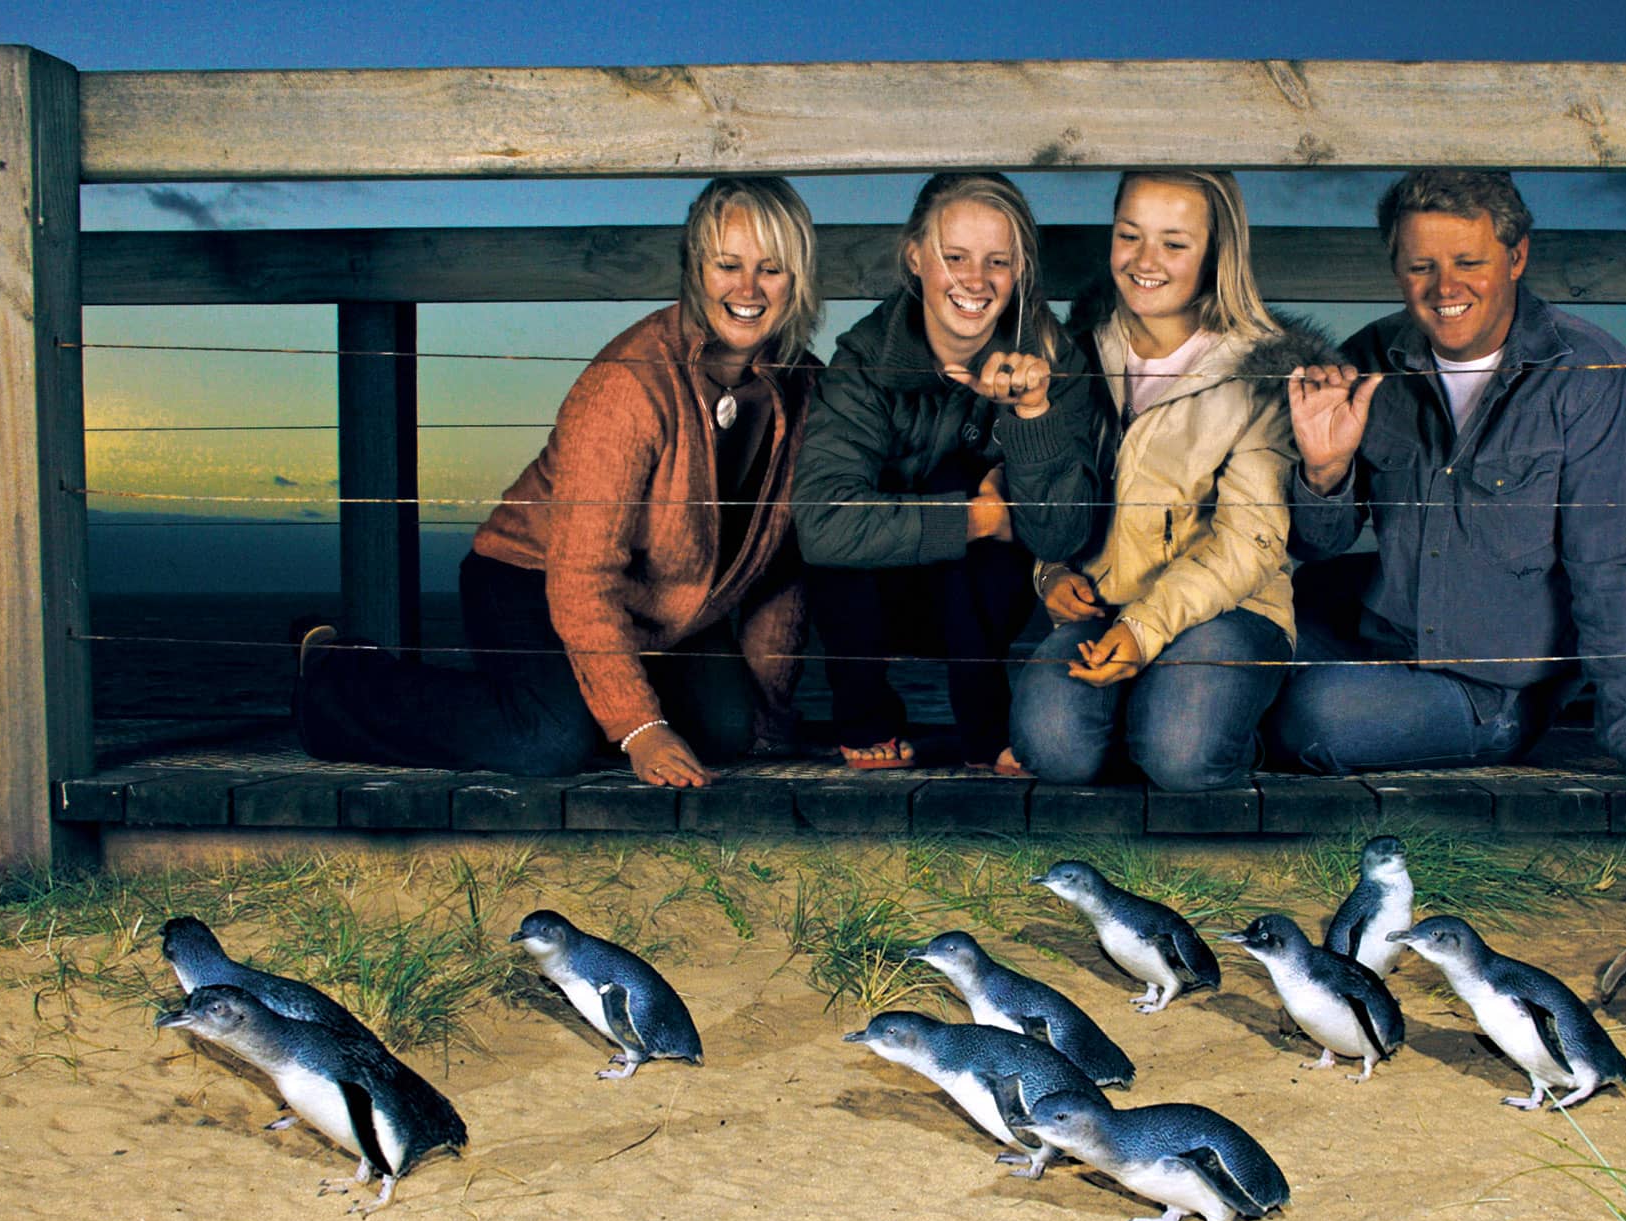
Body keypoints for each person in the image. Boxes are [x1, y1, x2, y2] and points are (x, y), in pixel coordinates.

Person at [295, 176, 822, 786]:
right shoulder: (628, 385)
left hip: (661, 609)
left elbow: (782, 570)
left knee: (732, 732)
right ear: (695, 269)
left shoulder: (808, 389)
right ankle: (335, 676)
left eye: (772, 269)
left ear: (798, 277)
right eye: (728, 265)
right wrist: (640, 728)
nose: (748, 290)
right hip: (532, 577)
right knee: (550, 741)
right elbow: (582, 575)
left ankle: (591, 700)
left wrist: (773, 715)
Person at [1265, 170, 1626, 786]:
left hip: (1495, 695)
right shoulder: (1367, 360)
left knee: (1316, 714)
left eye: (1468, 262)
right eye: (1421, 265)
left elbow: (1613, 575)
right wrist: (1324, 469)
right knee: (1226, 652)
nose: (1445, 287)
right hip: (1376, 650)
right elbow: (1320, 543)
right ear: (1396, 268)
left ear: (1516, 256)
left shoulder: (1594, 379)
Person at [1009, 171, 1322, 792]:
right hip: (1102, 605)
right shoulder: (1072, 353)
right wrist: (1050, 573)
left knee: (1182, 753)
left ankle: (1228, 721)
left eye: (1174, 245)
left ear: (1215, 255)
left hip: (1233, 609)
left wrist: (1145, 629)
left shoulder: (1261, 370)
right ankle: (1147, 716)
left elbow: (1252, 541)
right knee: (1053, 749)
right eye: (1130, 236)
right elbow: (1043, 487)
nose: (1145, 262)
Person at [793, 173, 1103, 772]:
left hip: (979, 609)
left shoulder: (1056, 357)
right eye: (952, 256)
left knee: (959, 480)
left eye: (997, 262)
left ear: (1020, 271)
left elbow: (1062, 537)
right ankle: (865, 715)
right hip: (878, 602)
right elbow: (822, 521)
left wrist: (1030, 414)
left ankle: (985, 729)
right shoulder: (863, 359)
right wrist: (978, 514)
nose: (975, 281)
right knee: (915, 501)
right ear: (915, 258)